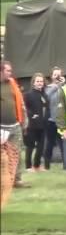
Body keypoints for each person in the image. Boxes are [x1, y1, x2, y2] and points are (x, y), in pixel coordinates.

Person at [0, 60, 30, 188]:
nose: (10, 73)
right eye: (8, 71)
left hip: (15, 125)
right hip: (1, 127)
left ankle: (16, 179)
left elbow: (20, 102)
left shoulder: (12, 83)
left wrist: (24, 120)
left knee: (16, 153)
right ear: (1, 71)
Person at [24, 72, 49, 173]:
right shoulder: (28, 95)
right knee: (30, 146)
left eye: (41, 81)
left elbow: (46, 107)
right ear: (33, 83)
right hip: (32, 125)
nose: (39, 83)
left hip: (42, 125)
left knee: (41, 146)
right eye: (37, 81)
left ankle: (37, 165)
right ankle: (28, 166)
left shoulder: (44, 94)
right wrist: (31, 115)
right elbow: (25, 107)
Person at [43, 66, 65, 170]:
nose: (57, 77)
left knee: (63, 144)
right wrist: (56, 86)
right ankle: (47, 165)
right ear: (51, 76)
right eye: (55, 74)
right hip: (51, 120)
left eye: (59, 74)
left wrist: (63, 85)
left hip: (61, 121)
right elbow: (46, 97)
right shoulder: (48, 88)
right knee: (50, 144)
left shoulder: (64, 88)